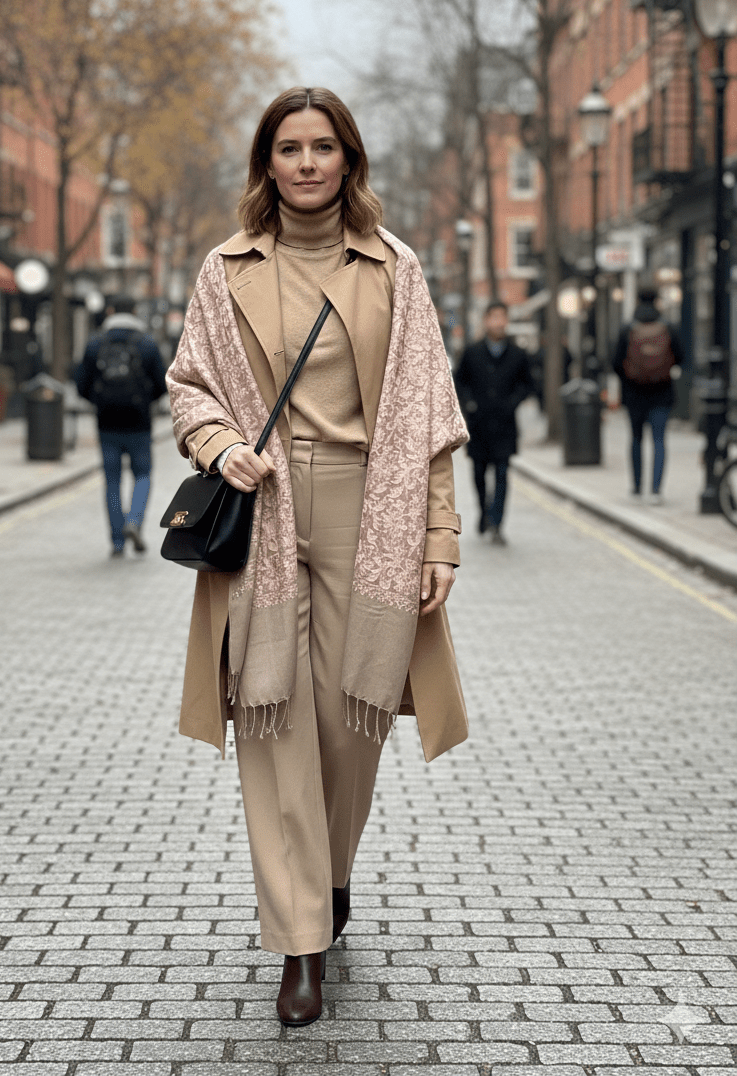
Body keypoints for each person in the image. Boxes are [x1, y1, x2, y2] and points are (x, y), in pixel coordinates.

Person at [166, 87, 469, 1027]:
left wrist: (440, 536)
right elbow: (189, 389)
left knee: (352, 718)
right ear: (266, 164)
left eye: (321, 147)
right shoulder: (225, 270)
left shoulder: (395, 271)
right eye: (287, 148)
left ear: (348, 160)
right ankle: (300, 938)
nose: (305, 163)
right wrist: (221, 446)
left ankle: (330, 876)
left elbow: (426, 418)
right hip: (261, 509)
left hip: (365, 506)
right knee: (273, 715)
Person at [75, 294, 167, 556]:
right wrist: (145, 401)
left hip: (107, 424)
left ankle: (117, 541)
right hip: (139, 423)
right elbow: (162, 384)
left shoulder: (95, 343)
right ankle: (134, 521)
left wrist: (99, 401)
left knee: (112, 480)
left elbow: (81, 384)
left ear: (111, 311)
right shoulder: (147, 344)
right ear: (135, 311)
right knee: (143, 475)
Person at [454, 301, 533, 544]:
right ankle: (484, 511)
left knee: (501, 473)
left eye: (503, 317)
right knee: (478, 473)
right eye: (494, 317)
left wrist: (513, 402)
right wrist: (469, 404)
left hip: (505, 424)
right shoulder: (472, 352)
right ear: (486, 321)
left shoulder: (518, 353)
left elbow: (527, 384)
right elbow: (459, 382)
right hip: (478, 424)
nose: (499, 322)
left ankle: (497, 522)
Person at [612, 287, 683, 504]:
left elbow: (615, 362)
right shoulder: (668, 327)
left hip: (634, 393)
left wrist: (630, 378)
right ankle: (656, 490)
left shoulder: (628, 328)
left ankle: (636, 488)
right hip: (661, 392)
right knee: (659, 440)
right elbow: (680, 357)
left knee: (635, 439)